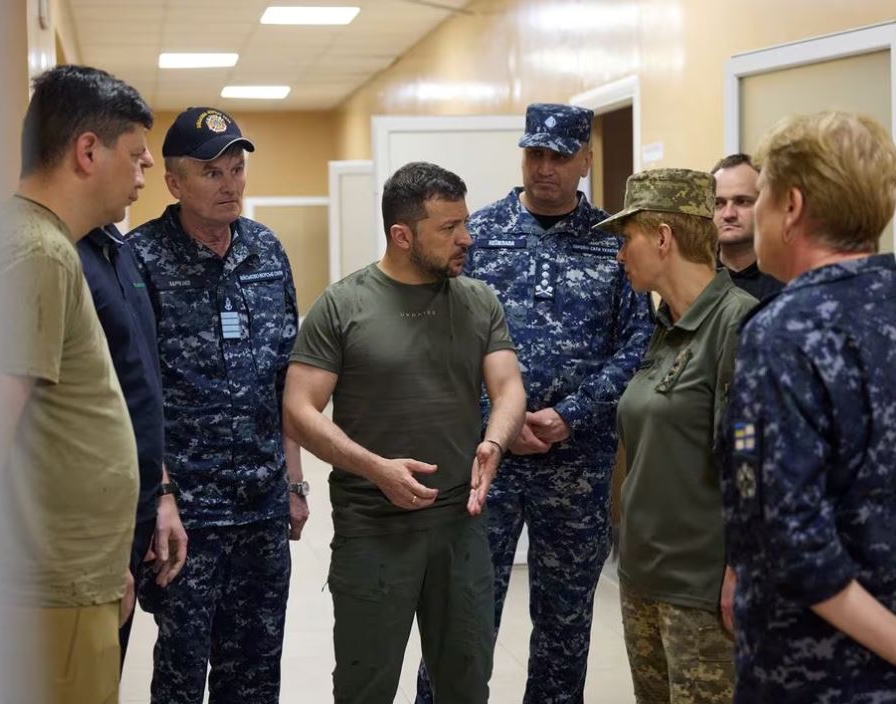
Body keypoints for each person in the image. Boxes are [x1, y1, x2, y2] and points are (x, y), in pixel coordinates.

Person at [419, 103, 653, 704]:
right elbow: (440, 339)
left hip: (577, 465)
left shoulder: (612, 243)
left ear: (586, 159)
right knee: (464, 616)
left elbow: (637, 344)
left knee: (566, 626)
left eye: (558, 155)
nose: (544, 167)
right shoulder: (479, 235)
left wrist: (570, 414)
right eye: (534, 153)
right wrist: (500, 417)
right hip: (486, 462)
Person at [283, 161, 526, 704]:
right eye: (448, 228)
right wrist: (375, 468)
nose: (467, 238)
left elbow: (508, 387)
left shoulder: (478, 300)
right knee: (365, 687)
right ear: (402, 235)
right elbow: (298, 409)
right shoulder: (345, 305)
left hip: (459, 526)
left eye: (464, 222)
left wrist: (495, 440)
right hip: (373, 528)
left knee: (466, 684)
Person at [721, 111, 896, 703]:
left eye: (761, 194)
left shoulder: (779, 336)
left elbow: (787, 541)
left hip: (819, 676)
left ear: (790, 206)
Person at [128, 107, 307, 704]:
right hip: (187, 515)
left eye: (237, 169)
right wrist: (161, 497)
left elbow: (287, 379)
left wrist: (295, 484)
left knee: (256, 674)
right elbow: (134, 395)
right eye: (212, 173)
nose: (230, 184)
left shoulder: (264, 250)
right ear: (174, 183)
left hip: (260, 506)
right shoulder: (140, 260)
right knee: (181, 675)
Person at [0, 64, 153, 704]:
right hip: (42, 592)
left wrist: (109, 559)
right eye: (136, 156)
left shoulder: (51, 244)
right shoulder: (38, 251)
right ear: (89, 151)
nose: (143, 175)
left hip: (71, 580)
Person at [597, 168, 757, 704]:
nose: (621, 256)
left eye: (628, 240)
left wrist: (740, 574)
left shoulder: (737, 326)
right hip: (642, 575)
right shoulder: (665, 329)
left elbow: (751, 471)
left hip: (701, 589)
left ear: (663, 237)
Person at [76, 222, 189, 669]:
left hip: (132, 512)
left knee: (103, 675)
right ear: (87, 151)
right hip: (85, 534)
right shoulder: (56, 254)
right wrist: (100, 550)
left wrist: (154, 496)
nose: (146, 165)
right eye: (135, 152)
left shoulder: (118, 251)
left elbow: (137, 388)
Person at [711, 153, 782, 300]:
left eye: (742, 201)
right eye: (718, 203)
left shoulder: (788, 276)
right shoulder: (693, 278)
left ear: (765, 204)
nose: (729, 214)